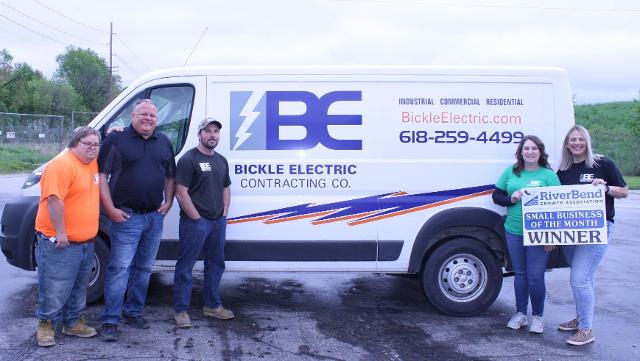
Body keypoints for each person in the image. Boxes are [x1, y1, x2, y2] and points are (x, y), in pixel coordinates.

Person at [98, 99, 176, 341]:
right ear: (132, 115)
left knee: (143, 269)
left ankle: (133, 312)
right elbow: (101, 175)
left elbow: (170, 175)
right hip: (125, 217)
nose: (148, 118)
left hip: (154, 217)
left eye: (152, 115)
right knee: (120, 269)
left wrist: (169, 201)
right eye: (143, 114)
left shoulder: (163, 141)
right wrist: (109, 208)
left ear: (157, 119)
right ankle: (110, 320)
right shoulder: (116, 139)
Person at [556, 125, 628, 346]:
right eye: (572, 140)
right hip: (571, 232)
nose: (576, 143)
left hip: (597, 229)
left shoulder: (601, 164)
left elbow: (624, 191)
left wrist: (605, 188)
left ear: (586, 142)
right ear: (567, 145)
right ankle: (581, 318)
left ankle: (586, 329)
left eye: (580, 139)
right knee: (583, 279)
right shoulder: (562, 171)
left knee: (579, 278)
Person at [34, 127, 101, 347]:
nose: (93, 148)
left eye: (96, 144)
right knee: (54, 287)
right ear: (74, 144)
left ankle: (72, 323)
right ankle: (46, 326)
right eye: (87, 144)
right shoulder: (61, 165)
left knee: (79, 287)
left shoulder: (91, 162)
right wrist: (61, 232)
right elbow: (54, 200)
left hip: (85, 243)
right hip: (61, 243)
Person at [492, 135, 560, 334]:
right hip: (514, 230)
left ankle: (537, 316)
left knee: (536, 276)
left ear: (540, 151)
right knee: (520, 274)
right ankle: (521, 313)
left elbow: (558, 206)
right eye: (526, 148)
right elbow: (496, 196)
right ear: (521, 152)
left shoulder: (549, 175)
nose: (530, 152)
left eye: (534, 148)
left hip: (540, 233)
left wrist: (552, 236)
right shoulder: (510, 172)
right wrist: (511, 199)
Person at [173, 118, 233, 328]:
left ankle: (212, 306)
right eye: (208, 131)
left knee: (216, 263)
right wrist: (196, 218)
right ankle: (181, 311)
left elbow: (226, 187)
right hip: (195, 222)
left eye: (216, 131)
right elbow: (181, 193)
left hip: (218, 222)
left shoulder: (221, 160)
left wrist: (224, 212)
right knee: (186, 265)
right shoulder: (188, 159)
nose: (212, 135)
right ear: (199, 134)